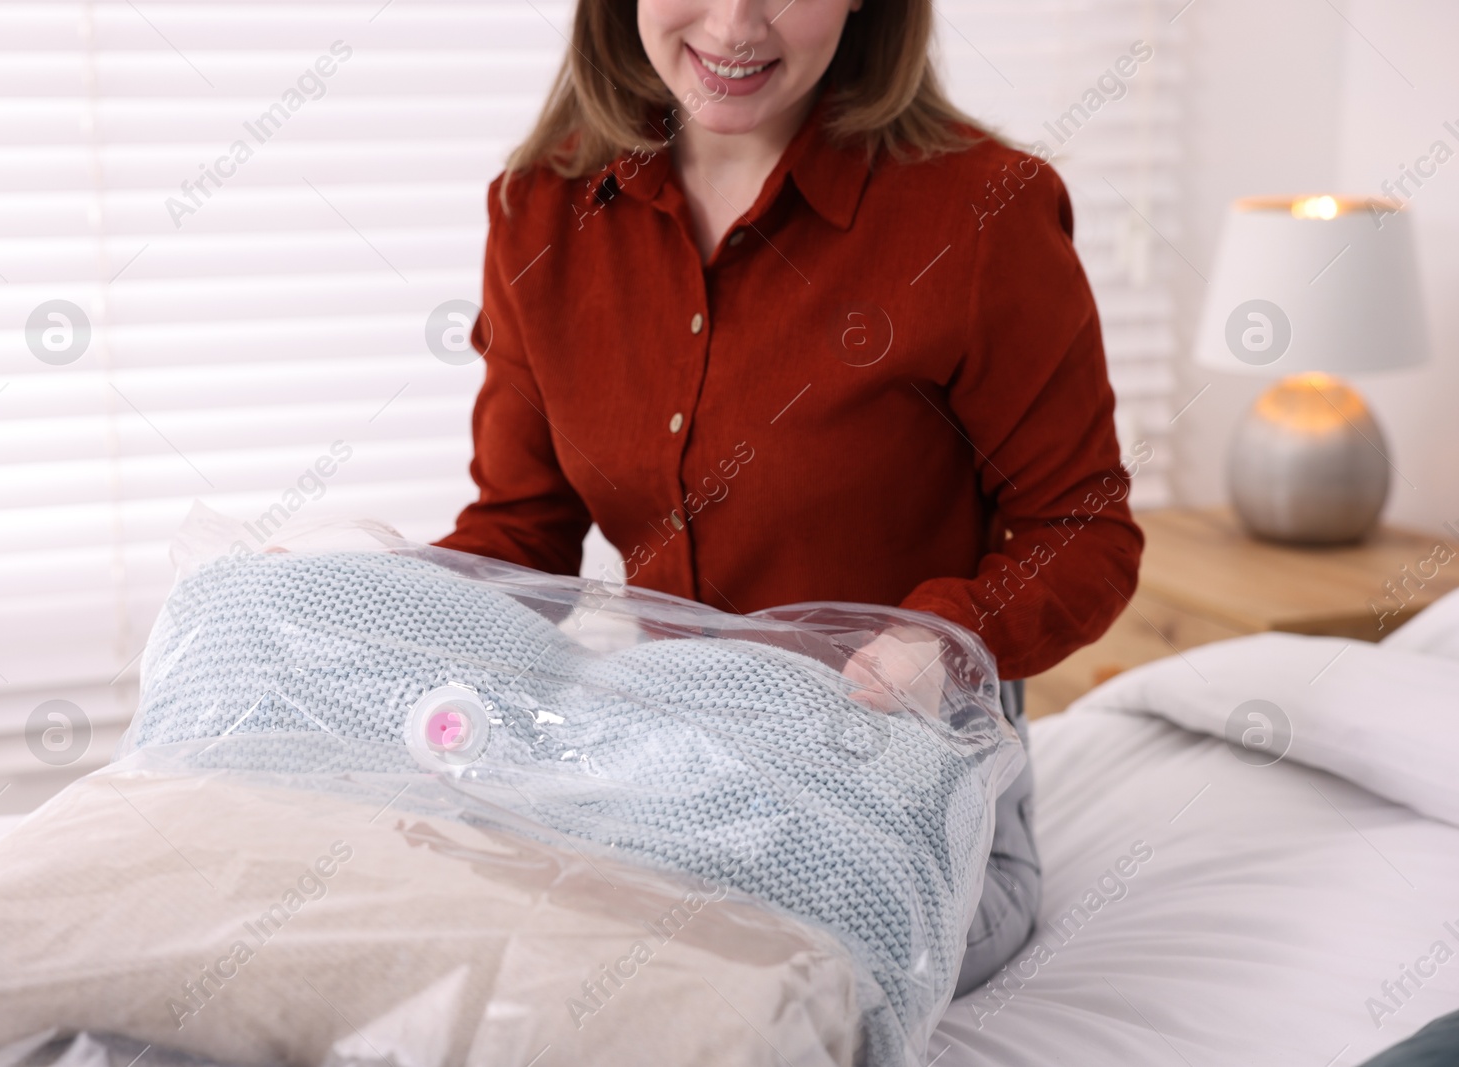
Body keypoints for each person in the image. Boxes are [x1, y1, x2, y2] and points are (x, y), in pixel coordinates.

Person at [435, 0, 1144, 995]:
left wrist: (940, 640)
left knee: (697, 985)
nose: (732, 26)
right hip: (662, 777)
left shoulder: (984, 209)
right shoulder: (540, 208)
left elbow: (1082, 529)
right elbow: (520, 529)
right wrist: (370, 604)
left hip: (904, 801)